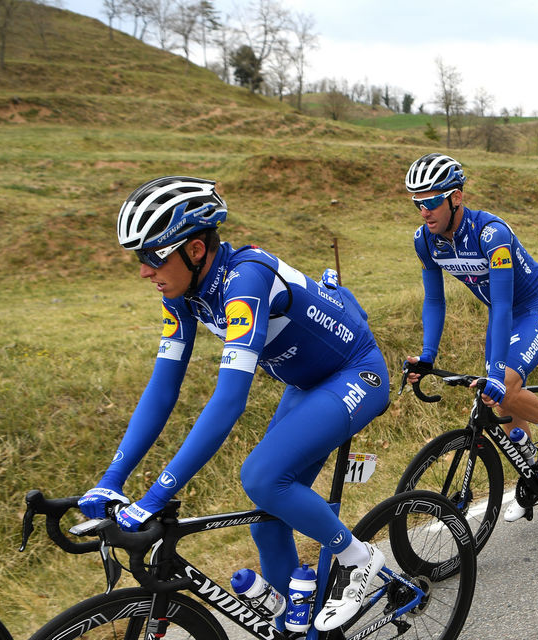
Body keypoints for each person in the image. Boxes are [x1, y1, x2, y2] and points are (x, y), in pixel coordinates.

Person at [77, 176, 390, 632]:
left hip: (355, 373)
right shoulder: (182, 293)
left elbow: (229, 401)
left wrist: (156, 495)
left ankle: (359, 559)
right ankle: (298, 630)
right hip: (306, 385)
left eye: (152, 256)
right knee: (267, 523)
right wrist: (112, 480)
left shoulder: (246, 278)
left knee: (262, 477)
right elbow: (162, 390)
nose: (144, 271)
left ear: (195, 250)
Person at [402, 153, 538, 523]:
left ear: (456, 197)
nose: (424, 212)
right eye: (418, 203)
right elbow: (434, 299)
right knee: (498, 403)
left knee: (504, 386)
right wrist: (428, 355)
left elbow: (503, 303)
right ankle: (531, 472)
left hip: (530, 310)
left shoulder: (491, 233)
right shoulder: (426, 242)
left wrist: (496, 370)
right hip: (502, 317)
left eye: (431, 201)